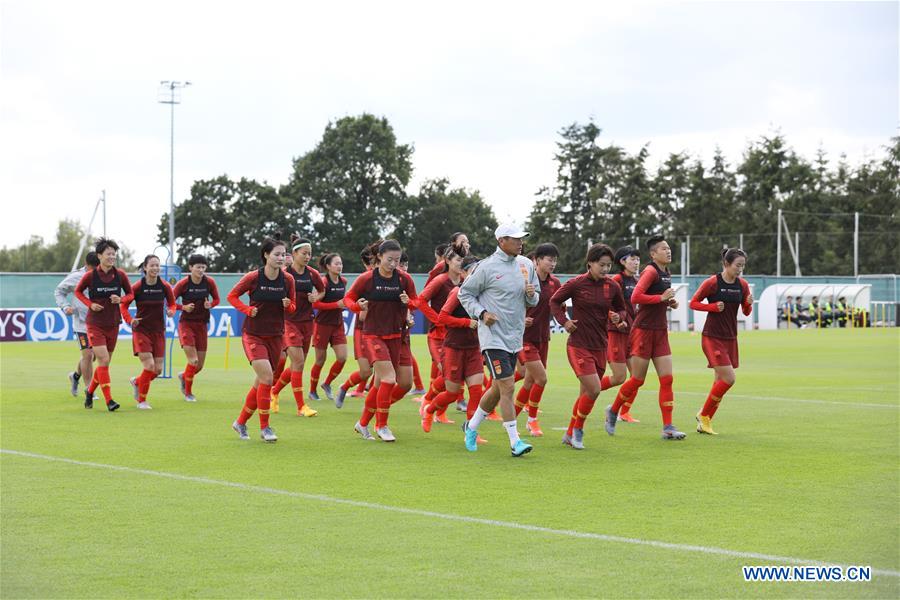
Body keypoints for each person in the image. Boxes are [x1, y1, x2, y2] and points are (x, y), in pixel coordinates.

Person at [458, 223, 539, 457]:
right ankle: (515, 442)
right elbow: (465, 293)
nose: (520, 242)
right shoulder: (486, 267)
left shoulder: (525, 265)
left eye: (521, 238)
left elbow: (534, 299)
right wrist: (482, 313)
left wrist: (532, 296)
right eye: (515, 239)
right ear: (501, 241)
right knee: (508, 385)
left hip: (514, 336)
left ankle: (471, 427)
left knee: (496, 388)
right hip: (492, 337)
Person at [604, 235, 687, 440]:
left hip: (660, 331)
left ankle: (668, 427)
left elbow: (656, 298)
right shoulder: (650, 271)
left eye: (669, 248)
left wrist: (669, 303)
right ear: (653, 254)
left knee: (667, 379)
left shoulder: (666, 272)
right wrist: (661, 298)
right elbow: (636, 297)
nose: (668, 251)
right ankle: (613, 410)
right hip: (643, 331)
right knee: (637, 380)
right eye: (664, 249)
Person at [550, 243, 627, 449]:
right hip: (578, 345)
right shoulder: (576, 284)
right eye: (601, 265)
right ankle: (578, 431)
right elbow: (555, 301)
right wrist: (564, 321)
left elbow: (622, 308)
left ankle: (568, 434)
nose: (605, 270)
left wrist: (619, 316)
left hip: (601, 345)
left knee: (585, 394)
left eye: (608, 266)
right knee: (593, 389)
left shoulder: (612, 287)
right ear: (590, 263)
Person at [342, 240, 418, 442]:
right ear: (379, 258)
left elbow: (416, 302)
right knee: (388, 379)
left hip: (397, 336)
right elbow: (348, 299)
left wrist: (409, 305)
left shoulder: (405, 279)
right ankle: (382, 425)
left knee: (388, 384)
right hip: (373, 335)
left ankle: (363, 422)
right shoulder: (367, 279)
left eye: (398, 260)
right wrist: (357, 306)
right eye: (389, 259)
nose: (394, 264)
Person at [228, 236, 296, 442]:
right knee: (267, 378)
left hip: (276, 336)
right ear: (266, 255)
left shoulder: (288, 280)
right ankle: (265, 428)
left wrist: (288, 306)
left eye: (283, 254)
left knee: (262, 382)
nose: (281, 258)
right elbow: (232, 296)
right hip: (253, 335)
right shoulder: (253, 277)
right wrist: (247, 310)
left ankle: (240, 422)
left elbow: (293, 308)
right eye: (276, 254)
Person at [689, 248, 753, 435]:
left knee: (719, 380)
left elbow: (747, 312)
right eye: (737, 265)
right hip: (712, 337)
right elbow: (693, 303)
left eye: (743, 265)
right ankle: (704, 416)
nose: (740, 269)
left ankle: (705, 420)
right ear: (726, 264)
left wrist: (748, 302)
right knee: (729, 378)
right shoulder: (712, 283)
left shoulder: (743, 285)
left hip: (730, 338)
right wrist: (712, 307)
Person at [422, 256, 483, 432]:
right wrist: (466, 322)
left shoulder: (483, 294)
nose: (478, 274)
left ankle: (471, 432)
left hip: (473, 348)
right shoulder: (458, 292)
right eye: (473, 270)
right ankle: (430, 410)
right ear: (464, 273)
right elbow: (442, 317)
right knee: (452, 393)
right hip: (453, 348)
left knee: (476, 391)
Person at [74, 238, 133, 411]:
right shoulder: (90, 276)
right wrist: (90, 304)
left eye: (114, 254)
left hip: (113, 323)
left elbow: (130, 294)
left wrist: (121, 299)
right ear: (99, 256)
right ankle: (109, 401)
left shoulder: (120, 275)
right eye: (108, 254)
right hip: (95, 324)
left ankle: (90, 392)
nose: (112, 257)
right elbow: (78, 292)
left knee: (104, 365)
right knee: (104, 359)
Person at [270, 235, 323, 417]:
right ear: (294, 254)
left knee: (296, 364)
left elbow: (322, 291)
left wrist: (315, 298)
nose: (307, 256)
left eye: (309, 253)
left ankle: (275, 391)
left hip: (307, 322)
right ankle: (301, 407)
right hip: (288, 322)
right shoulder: (285, 274)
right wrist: (281, 302)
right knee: (298, 362)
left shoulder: (312, 274)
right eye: (304, 253)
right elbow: (273, 294)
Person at [416, 247, 469, 423]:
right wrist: (437, 319)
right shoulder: (440, 280)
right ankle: (428, 399)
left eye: (463, 260)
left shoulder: (465, 281)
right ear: (447, 261)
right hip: (438, 336)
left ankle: (439, 412)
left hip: (455, 335)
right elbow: (421, 300)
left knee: (453, 376)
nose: (461, 263)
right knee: (447, 374)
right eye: (457, 260)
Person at [513, 243, 561, 437]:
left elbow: (558, 307)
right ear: (538, 260)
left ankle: (511, 418)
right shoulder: (523, 280)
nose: (553, 264)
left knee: (529, 381)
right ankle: (532, 420)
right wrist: (520, 319)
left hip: (543, 338)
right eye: (549, 260)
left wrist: (567, 321)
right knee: (541, 378)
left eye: (555, 260)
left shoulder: (555, 283)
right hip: (524, 338)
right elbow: (509, 303)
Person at [120, 255, 177, 409]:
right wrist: (130, 320)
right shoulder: (137, 287)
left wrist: (171, 311)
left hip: (158, 331)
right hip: (141, 331)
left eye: (157, 265)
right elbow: (123, 305)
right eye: (152, 265)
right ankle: (142, 401)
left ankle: (137, 382)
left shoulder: (165, 286)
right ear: (145, 267)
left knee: (157, 370)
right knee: (149, 365)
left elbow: (172, 304)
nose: (155, 268)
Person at [172, 254, 220, 401]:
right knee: (193, 361)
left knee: (198, 366)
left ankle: (184, 376)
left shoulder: (209, 282)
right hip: (186, 324)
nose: (201, 270)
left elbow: (217, 299)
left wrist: (210, 304)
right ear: (191, 268)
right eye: (198, 267)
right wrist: (183, 307)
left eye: (203, 267)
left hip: (202, 325)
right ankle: (188, 393)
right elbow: (170, 302)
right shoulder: (183, 284)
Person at [602, 245, 641, 422]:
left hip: (632, 333)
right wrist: (616, 320)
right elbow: (607, 304)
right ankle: (591, 388)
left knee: (637, 377)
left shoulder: (637, 280)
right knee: (619, 377)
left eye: (638, 259)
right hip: (617, 333)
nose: (636, 262)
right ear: (622, 261)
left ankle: (623, 412)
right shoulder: (617, 279)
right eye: (632, 259)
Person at [336, 244, 377, 406]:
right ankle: (345, 387)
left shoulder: (391, 277)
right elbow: (351, 301)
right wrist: (361, 309)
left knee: (384, 372)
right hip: (363, 330)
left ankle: (376, 408)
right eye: (371, 263)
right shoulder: (365, 280)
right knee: (366, 371)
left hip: (383, 329)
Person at [55, 252, 100, 397]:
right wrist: (65, 306)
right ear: (86, 266)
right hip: (82, 324)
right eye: (93, 269)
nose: (96, 272)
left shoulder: (105, 275)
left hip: (99, 323)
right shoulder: (76, 277)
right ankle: (89, 390)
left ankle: (75, 376)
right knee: (87, 355)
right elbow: (59, 291)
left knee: (92, 357)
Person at [309, 253, 348, 403]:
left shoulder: (343, 281)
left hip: (337, 324)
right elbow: (315, 304)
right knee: (320, 360)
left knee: (342, 357)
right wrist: (336, 305)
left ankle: (327, 383)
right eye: (336, 263)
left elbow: (344, 301)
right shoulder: (323, 282)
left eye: (341, 263)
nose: (340, 266)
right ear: (328, 266)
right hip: (322, 325)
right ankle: (312, 391)